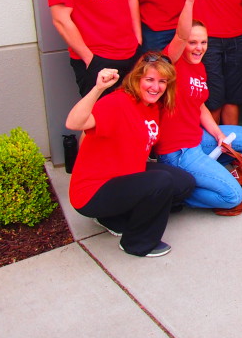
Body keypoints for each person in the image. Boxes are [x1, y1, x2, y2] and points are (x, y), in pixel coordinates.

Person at [66, 57, 194, 257]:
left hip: (125, 174)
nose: (156, 86)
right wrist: (98, 88)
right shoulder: (117, 102)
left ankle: (114, 216)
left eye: (162, 81)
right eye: (150, 80)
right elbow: (74, 123)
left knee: (184, 183)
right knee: (162, 182)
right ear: (137, 79)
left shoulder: (153, 106)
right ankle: (136, 243)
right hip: (93, 190)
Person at [153, 0, 242, 211]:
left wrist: (219, 134)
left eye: (203, 42)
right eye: (192, 42)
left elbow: (199, 106)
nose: (198, 48)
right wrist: (190, 0)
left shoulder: (198, 66)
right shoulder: (171, 63)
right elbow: (180, 36)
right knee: (233, 197)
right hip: (177, 150)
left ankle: (200, 174)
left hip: (196, 140)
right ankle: (177, 192)